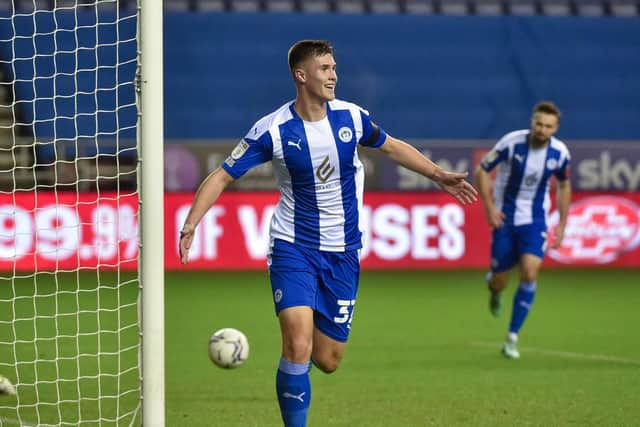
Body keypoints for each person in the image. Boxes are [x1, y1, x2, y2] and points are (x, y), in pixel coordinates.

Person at [179, 39, 477, 427]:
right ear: (301, 76)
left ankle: (296, 376)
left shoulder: (352, 118)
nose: (334, 75)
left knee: (328, 359)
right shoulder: (273, 129)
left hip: (344, 252)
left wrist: (437, 175)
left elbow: (391, 147)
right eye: (324, 69)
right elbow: (221, 175)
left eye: (334, 67)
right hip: (293, 248)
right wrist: (191, 223)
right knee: (297, 344)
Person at [474, 101, 571, 360]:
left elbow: (564, 186)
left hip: (535, 221)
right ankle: (494, 289)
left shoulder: (560, 153)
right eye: (539, 123)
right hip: (505, 220)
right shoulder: (511, 143)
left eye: (548, 126)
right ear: (532, 122)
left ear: (555, 128)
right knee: (500, 281)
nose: (542, 129)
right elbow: (482, 170)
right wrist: (490, 208)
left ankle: (512, 337)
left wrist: (561, 224)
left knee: (530, 270)